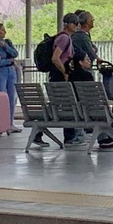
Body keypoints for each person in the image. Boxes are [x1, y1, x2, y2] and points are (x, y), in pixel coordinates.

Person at [70, 10, 113, 149]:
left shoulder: (73, 76)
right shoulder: (82, 37)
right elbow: (91, 54)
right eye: (92, 19)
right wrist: (94, 56)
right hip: (92, 111)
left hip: (75, 114)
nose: (93, 20)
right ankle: (106, 138)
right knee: (100, 109)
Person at [47, 14, 85, 148]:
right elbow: (55, 58)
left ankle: (39, 134)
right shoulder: (64, 38)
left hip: (56, 75)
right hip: (60, 75)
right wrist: (65, 72)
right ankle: (70, 137)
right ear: (68, 24)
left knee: (61, 104)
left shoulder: (62, 37)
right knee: (68, 104)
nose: (78, 26)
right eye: (75, 23)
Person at [0, 21, 21, 134]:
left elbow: (15, 53)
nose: (4, 32)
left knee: (12, 96)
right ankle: (0, 122)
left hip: (11, 70)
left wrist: (5, 48)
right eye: (2, 30)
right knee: (1, 96)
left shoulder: (8, 42)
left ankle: (10, 122)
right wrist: (8, 60)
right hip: (0, 71)